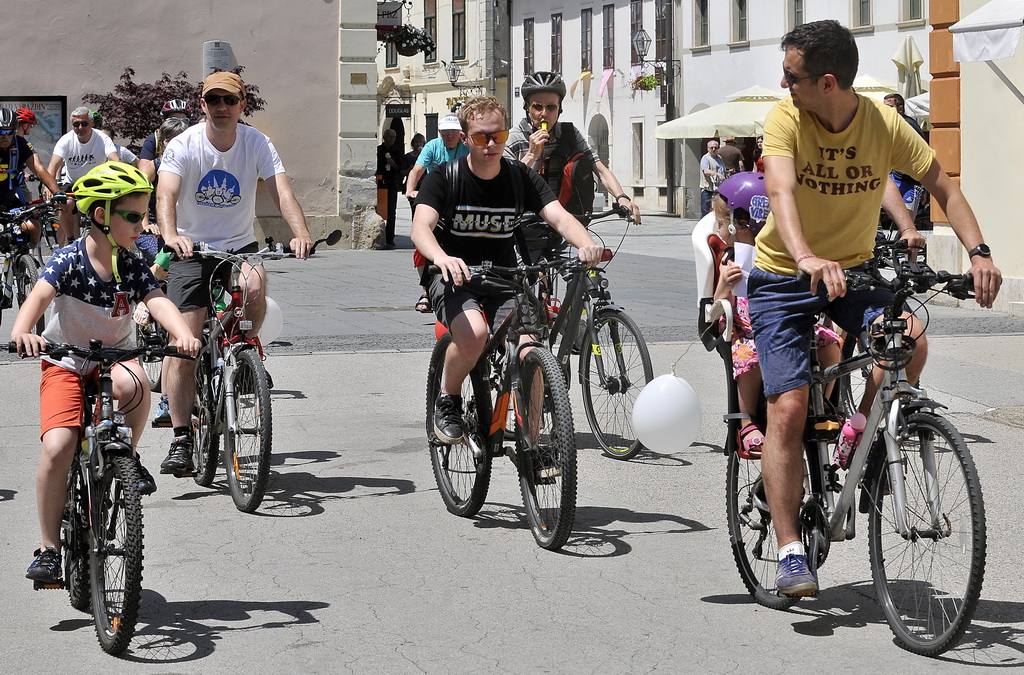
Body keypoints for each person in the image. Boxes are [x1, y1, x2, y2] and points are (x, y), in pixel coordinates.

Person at [753, 19, 1001, 597]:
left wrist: (980, 253)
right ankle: (791, 548)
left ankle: (858, 432)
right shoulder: (785, 118)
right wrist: (808, 256)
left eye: (792, 75)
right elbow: (781, 192)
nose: (783, 83)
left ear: (828, 82)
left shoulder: (883, 125)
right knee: (788, 410)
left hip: (855, 273)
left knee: (909, 337)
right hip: (785, 276)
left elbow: (945, 185)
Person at [11, 161, 200, 585]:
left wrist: (183, 333)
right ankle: (48, 548)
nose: (141, 225)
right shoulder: (68, 260)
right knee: (59, 447)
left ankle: (127, 457)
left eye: (145, 214)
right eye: (133, 216)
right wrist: (23, 331)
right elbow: (39, 296)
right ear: (101, 216)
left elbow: (157, 300)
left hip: (114, 360)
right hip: (66, 361)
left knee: (135, 382)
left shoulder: (130, 266)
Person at [410, 96, 603, 444]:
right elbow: (420, 227)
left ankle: (533, 444)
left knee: (531, 349)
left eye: (497, 137)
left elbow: (557, 215)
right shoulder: (445, 177)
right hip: (454, 275)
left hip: (505, 275)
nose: (491, 145)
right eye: (482, 137)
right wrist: (441, 257)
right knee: (474, 335)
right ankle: (448, 398)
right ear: (466, 138)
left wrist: (584, 243)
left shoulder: (519, 177)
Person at [156, 71, 313, 476]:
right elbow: (166, 193)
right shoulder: (184, 145)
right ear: (203, 105)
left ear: (243, 104)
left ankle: (241, 350)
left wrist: (300, 234)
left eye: (229, 100)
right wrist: (171, 236)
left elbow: (281, 190)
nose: (221, 107)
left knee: (255, 285)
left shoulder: (257, 143)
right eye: (213, 101)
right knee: (186, 342)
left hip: (237, 246)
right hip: (190, 247)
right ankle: (181, 438)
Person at [707, 172, 840, 459]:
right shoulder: (730, 259)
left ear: (742, 222)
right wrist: (724, 285)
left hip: (791, 323)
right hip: (746, 330)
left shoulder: (784, 253)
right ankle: (746, 421)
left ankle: (823, 404)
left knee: (830, 343)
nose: (719, 228)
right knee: (750, 356)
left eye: (722, 221)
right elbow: (716, 308)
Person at [505, 71, 641, 264]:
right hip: (525, 225)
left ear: (559, 109)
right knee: (519, 280)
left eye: (551, 107)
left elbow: (600, 169)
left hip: (566, 221)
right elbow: (505, 183)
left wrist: (622, 198)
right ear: (527, 107)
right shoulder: (514, 138)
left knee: (584, 265)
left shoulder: (569, 134)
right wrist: (531, 154)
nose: (544, 113)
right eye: (537, 107)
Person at [406, 114, 470, 313]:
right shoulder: (432, 146)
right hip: (435, 198)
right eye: (445, 133)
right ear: (440, 133)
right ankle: (425, 290)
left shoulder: (466, 146)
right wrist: (410, 190)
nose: (449, 136)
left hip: (460, 198)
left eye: (453, 133)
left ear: (460, 134)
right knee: (422, 244)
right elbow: (417, 170)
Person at [46, 107, 120, 245]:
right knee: (65, 203)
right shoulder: (66, 140)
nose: (80, 127)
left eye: (84, 123)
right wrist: (49, 186)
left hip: (96, 182)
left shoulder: (102, 138)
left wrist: (119, 174)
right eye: (76, 124)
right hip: (73, 182)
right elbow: (53, 166)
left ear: (91, 123)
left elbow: (115, 159)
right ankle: (71, 241)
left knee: (106, 209)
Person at [0, 108, 64, 249]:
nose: (5, 136)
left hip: (9, 201)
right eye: (1, 132)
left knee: (34, 227)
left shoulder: (20, 144)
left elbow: (39, 168)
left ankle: (25, 260)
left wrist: (57, 192)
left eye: (9, 131)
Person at [376, 128, 401, 249]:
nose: (391, 139)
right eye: (389, 137)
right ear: (384, 137)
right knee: (379, 210)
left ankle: (390, 238)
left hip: (391, 183)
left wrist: (392, 163)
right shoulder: (379, 150)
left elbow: (399, 168)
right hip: (380, 183)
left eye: (393, 137)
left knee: (391, 211)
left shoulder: (396, 151)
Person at [699, 140, 726, 217]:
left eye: (715, 148)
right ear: (708, 148)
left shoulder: (719, 158)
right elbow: (706, 171)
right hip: (708, 189)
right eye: (711, 148)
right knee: (705, 211)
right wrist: (717, 174)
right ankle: (703, 228)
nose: (713, 149)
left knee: (718, 210)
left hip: (718, 188)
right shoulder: (705, 158)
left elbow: (722, 170)